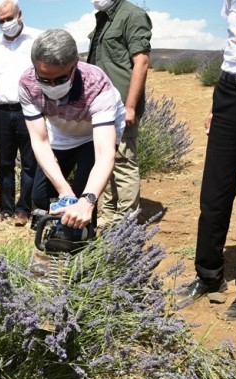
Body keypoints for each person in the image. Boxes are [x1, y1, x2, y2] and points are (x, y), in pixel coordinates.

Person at [175, 0, 236, 319]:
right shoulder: (233, 2)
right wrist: (216, 105)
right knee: (213, 197)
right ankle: (209, 276)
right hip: (229, 93)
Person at [19, 29, 124, 230]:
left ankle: (81, 241)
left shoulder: (97, 84)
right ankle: (58, 231)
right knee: (41, 195)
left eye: (60, 79)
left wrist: (88, 200)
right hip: (62, 131)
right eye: (44, 79)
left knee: (84, 193)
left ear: (75, 64)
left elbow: (104, 153)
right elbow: (40, 141)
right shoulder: (27, 84)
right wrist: (63, 190)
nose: (52, 86)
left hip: (95, 135)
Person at [87, 0, 151, 226]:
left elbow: (141, 62)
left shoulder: (132, 15)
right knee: (105, 157)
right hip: (101, 105)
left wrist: (130, 106)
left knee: (123, 161)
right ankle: (109, 213)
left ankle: (125, 221)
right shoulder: (104, 18)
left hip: (121, 105)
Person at [0, 0, 41, 227]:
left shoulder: (37, 39)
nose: (6, 23)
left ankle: (23, 209)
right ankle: (5, 209)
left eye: (9, 18)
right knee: (4, 163)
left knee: (30, 162)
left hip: (30, 110)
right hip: (3, 112)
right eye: (1, 21)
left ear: (20, 14)